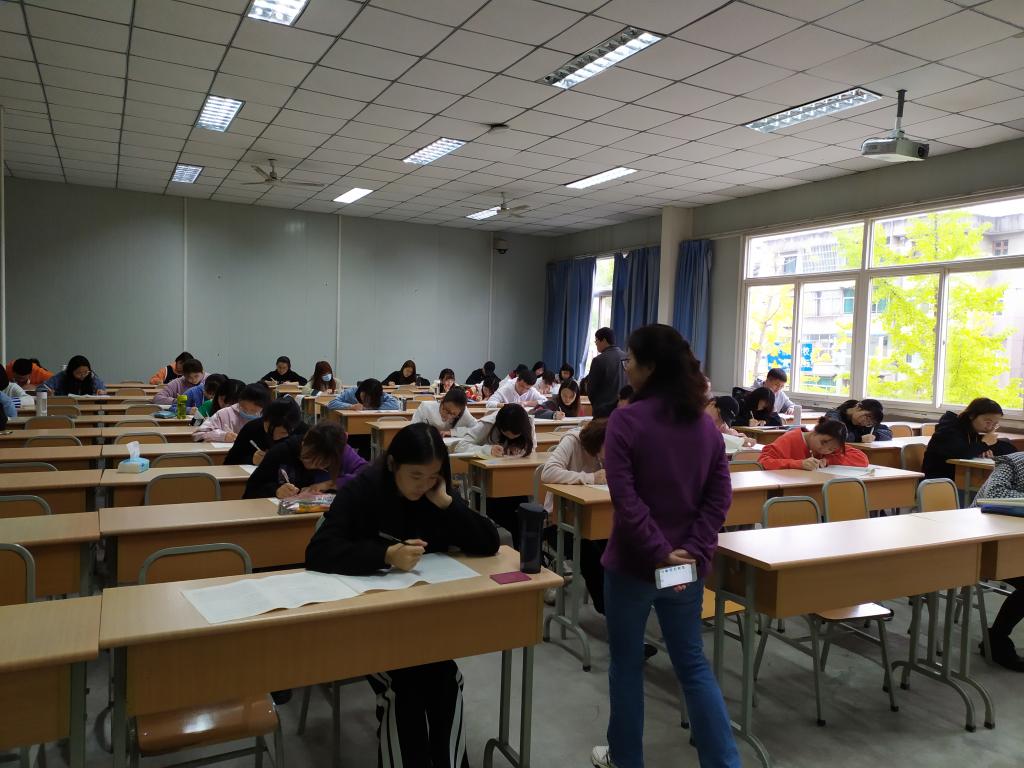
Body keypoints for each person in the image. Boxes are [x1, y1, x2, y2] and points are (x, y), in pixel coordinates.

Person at [305, 422, 499, 768]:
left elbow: (489, 542)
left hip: (425, 623)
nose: (423, 485)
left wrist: (448, 503)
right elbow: (319, 551)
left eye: (432, 476)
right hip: (369, 624)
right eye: (415, 476)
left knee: (446, 680)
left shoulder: (435, 495)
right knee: (405, 687)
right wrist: (385, 554)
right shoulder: (365, 489)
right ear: (393, 464)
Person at [592, 324, 739, 768]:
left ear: (650, 368)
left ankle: (625, 759)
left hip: (634, 566)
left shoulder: (626, 421)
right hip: (685, 567)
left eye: (632, 361)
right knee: (692, 665)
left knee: (626, 665)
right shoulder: (704, 426)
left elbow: (626, 498)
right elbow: (720, 496)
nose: (627, 368)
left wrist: (658, 550)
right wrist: (691, 547)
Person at [541, 419, 609, 613]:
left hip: (595, 517)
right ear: (597, 442)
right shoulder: (572, 441)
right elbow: (548, 472)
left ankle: (619, 602)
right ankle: (607, 606)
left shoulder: (609, 453)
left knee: (616, 547)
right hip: (560, 521)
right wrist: (590, 478)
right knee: (591, 554)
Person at [454, 403, 535, 544]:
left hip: (516, 486)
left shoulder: (527, 424)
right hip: (487, 488)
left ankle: (526, 552)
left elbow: (532, 450)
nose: (510, 438)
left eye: (515, 436)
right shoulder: (488, 423)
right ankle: (525, 552)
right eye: (506, 434)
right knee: (519, 523)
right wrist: (487, 450)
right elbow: (461, 446)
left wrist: (519, 450)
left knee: (525, 518)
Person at [975, 454, 1024, 671]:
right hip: (984, 540)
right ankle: (996, 639)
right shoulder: (1013, 463)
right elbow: (994, 494)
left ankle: (996, 638)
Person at [245, 420, 365, 498]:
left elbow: (365, 475)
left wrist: (329, 484)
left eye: (324, 464)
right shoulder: (281, 452)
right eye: (310, 460)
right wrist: (276, 491)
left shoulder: (338, 449)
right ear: (303, 444)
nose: (319, 467)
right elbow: (251, 490)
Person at [922, 397, 1016, 481]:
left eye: (995, 424)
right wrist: (984, 444)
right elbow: (961, 452)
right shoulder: (949, 429)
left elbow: (1011, 450)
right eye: (988, 422)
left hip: (959, 478)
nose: (990, 427)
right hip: (939, 480)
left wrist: (985, 448)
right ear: (972, 415)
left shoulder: (973, 431)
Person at [758, 418, 868, 470]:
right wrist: (798, 464)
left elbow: (862, 459)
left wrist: (828, 460)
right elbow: (763, 461)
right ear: (815, 432)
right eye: (823, 442)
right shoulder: (789, 440)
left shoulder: (832, 444)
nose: (824, 450)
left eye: (831, 449)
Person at [225, 398, 305, 466]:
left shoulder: (303, 433)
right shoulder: (252, 428)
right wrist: (251, 460)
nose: (275, 437)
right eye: (269, 431)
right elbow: (230, 461)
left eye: (282, 433)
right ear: (264, 419)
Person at [193, 383, 270, 443]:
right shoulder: (224, 413)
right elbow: (197, 435)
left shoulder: (269, 417)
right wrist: (223, 436)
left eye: (254, 411)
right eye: (244, 408)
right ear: (239, 401)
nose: (248, 412)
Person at [586, 327, 627, 418]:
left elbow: (591, 389)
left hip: (604, 412)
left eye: (596, 340)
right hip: (625, 410)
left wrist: (597, 407)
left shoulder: (599, 360)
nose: (596, 343)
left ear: (604, 340)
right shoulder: (627, 357)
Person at [412, 386, 477, 437]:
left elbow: (476, 429)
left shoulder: (463, 412)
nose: (448, 416)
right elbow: (413, 429)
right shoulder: (425, 407)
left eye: (453, 414)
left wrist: (453, 432)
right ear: (442, 400)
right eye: (446, 410)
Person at [825, 399, 892, 443]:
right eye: (867, 417)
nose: (864, 423)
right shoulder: (834, 415)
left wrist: (874, 436)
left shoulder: (864, 424)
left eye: (869, 423)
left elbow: (888, 433)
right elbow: (835, 433)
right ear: (858, 407)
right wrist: (859, 438)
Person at [39, 355, 106, 395]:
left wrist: (102, 392)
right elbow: (41, 388)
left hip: (88, 408)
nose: (82, 375)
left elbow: (102, 390)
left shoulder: (92, 377)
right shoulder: (62, 376)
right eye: (78, 373)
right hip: (66, 408)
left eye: (85, 372)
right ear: (71, 372)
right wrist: (46, 392)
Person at [327, 379, 400, 411]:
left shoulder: (380, 394)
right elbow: (331, 403)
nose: (366, 401)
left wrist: (371, 407)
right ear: (361, 390)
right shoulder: (351, 392)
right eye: (364, 397)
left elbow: (395, 404)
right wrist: (351, 406)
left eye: (370, 398)